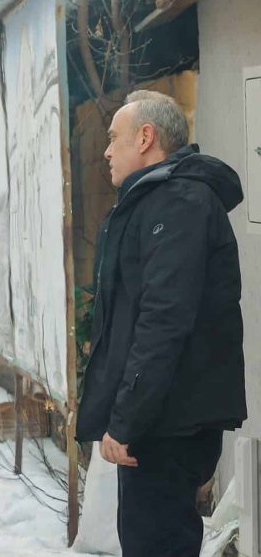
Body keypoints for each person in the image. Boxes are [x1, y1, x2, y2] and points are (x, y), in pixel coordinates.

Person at [75, 90, 247, 556]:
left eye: (114, 138)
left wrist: (126, 419)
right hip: (162, 417)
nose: (106, 151)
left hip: (169, 424)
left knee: (156, 543)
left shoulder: (179, 203)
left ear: (145, 137)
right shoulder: (154, 202)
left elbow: (163, 320)